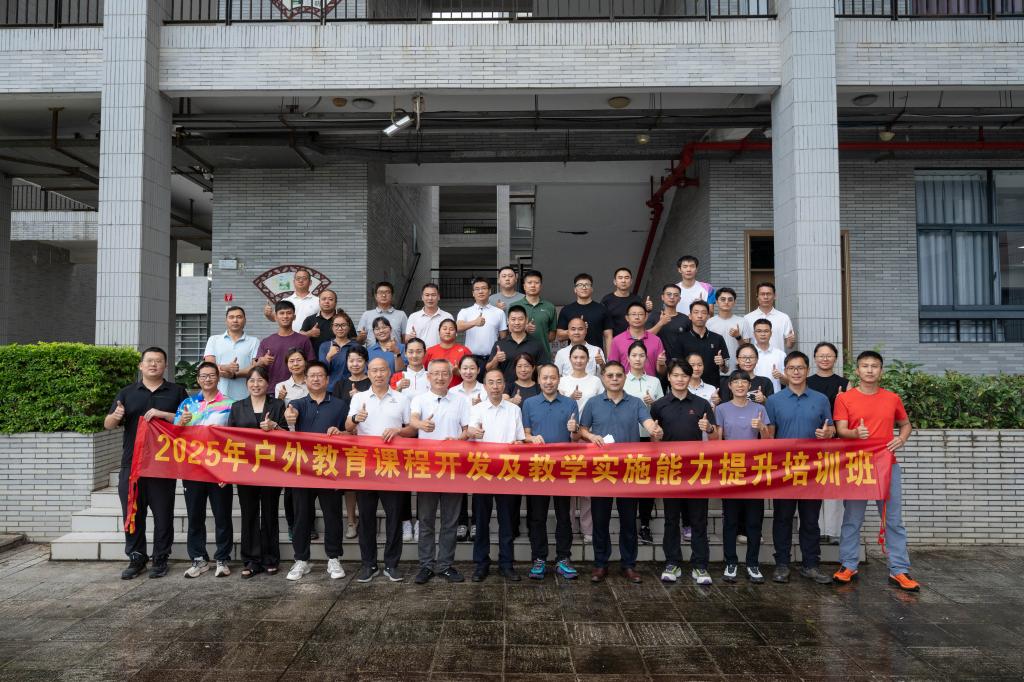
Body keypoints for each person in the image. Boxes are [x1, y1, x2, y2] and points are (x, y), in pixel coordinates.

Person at [833, 351, 918, 592]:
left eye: (874, 366)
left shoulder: (892, 398)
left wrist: (901, 438)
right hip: (857, 465)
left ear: (881, 371)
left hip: (886, 466)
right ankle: (848, 565)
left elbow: (906, 424)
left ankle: (899, 569)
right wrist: (855, 433)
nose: (869, 370)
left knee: (893, 520)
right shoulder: (845, 398)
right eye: (865, 366)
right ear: (857, 370)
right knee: (852, 519)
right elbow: (840, 429)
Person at [105, 347, 188, 580]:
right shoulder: (127, 393)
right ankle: (136, 558)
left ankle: (160, 558)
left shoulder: (177, 391)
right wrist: (115, 417)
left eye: (158, 361)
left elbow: (188, 421)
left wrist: (164, 414)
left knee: (163, 514)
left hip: (162, 464)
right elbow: (108, 424)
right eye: (149, 361)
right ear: (141, 366)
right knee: (133, 513)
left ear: (165, 366)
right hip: (132, 464)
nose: (153, 364)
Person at [579, 361, 663, 584]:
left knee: (628, 520)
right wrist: (591, 436)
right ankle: (600, 564)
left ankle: (629, 565)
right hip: (602, 470)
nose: (614, 379)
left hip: (628, 470)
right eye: (610, 375)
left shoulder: (635, 403)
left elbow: (648, 423)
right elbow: (582, 429)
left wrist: (655, 430)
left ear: (624, 378)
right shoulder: (593, 403)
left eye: (618, 375)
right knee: (600, 520)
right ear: (603, 378)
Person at [765, 351, 835, 585]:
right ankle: (782, 565)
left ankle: (811, 565)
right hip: (783, 469)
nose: (796, 372)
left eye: (800, 368)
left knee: (810, 520)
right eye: (791, 368)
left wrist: (828, 433)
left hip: (812, 469)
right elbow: (769, 436)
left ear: (807, 370)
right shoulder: (774, 401)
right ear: (785, 372)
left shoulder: (821, 399)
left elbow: (831, 428)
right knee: (782, 518)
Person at [347, 358, 415, 583]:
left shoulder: (402, 398)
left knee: (394, 517)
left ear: (389, 372)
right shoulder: (359, 398)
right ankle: (369, 564)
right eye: (374, 370)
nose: (378, 374)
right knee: (366, 517)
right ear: (368, 373)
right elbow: (347, 426)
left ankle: (392, 564)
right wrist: (356, 418)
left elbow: (412, 430)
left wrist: (398, 431)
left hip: (392, 466)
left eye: (382, 370)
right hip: (366, 466)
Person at [652, 359, 718, 585]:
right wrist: (656, 436)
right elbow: (653, 440)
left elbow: (715, 437)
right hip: (670, 469)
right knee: (671, 519)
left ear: (690, 378)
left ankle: (700, 565)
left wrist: (709, 428)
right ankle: (672, 562)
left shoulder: (701, 404)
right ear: (669, 377)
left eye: (684, 375)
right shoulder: (659, 405)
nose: (680, 379)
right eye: (676, 375)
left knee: (699, 519)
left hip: (696, 470)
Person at [283, 361, 348, 581]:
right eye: (312, 375)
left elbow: (351, 434)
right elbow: (289, 419)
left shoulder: (339, 405)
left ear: (327, 380)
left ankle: (334, 558)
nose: (316, 379)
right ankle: (301, 560)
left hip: (330, 469)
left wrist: (340, 433)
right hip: (303, 470)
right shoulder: (297, 404)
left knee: (332, 515)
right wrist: (289, 417)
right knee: (302, 516)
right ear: (306, 380)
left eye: (320, 375)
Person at [410, 359, 469, 585]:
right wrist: (421, 425)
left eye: (445, 373)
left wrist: (459, 439)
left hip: (453, 467)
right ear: (428, 376)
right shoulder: (420, 399)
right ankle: (425, 565)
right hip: (427, 467)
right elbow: (413, 419)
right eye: (435, 373)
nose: (440, 377)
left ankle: (445, 565)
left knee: (450, 520)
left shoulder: (461, 400)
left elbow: (467, 429)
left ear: (451, 376)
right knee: (425, 520)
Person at [175, 361, 235, 579]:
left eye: (211, 375)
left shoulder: (230, 404)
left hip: (219, 470)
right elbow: (174, 434)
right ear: (198, 379)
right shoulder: (187, 404)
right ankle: (199, 559)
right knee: (195, 516)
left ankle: (222, 559)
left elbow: (235, 439)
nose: (207, 379)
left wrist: (228, 470)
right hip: (192, 468)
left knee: (222, 515)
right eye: (203, 376)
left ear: (218, 378)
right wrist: (181, 422)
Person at [522, 363, 581, 581]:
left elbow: (575, 438)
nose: (549, 382)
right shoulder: (529, 404)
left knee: (564, 515)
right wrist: (531, 438)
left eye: (553, 378)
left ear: (559, 379)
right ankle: (539, 559)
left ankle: (563, 558)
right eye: (545, 378)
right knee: (537, 516)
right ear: (538, 380)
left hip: (563, 468)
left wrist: (574, 431)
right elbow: (525, 434)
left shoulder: (570, 403)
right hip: (538, 467)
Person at [714, 369, 772, 584]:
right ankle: (730, 562)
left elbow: (769, 441)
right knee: (730, 520)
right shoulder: (721, 409)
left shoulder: (759, 409)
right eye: (736, 382)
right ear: (729, 386)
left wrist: (762, 428)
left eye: (744, 382)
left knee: (754, 521)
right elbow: (717, 440)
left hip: (754, 472)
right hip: (730, 470)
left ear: (749, 386)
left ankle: (753, 564)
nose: (740, 385)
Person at [468, 369, 526, 582]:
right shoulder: (477, 409)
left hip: (507, 471)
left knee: (507, 521)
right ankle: (481, 564)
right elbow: (470, 435)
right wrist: (472, 433)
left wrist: (518, 443)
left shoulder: (514, 410)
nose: (495, 386)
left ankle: (506, 564)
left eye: (499, 382)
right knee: (481, 521)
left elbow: (520, 438)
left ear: (504, 385)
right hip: (483, 471)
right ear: (484, 386)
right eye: (490, 382)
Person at [228, 366, 285, 578]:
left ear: (268, 383)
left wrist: (275, 427)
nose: (256, 384)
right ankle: (251, 559)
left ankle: (270, 558)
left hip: (271, 469)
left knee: (270, 513)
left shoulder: (278, 405)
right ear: (246, 384)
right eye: (252, 380)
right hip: (245, 470)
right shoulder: (237, 407)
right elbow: (229, 438)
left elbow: (288, 436)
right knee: (249, 513)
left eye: (260, 380)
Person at [557, 345, 603, 545]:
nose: (578, 360)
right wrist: (569, 399)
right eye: (575, 357)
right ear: (569, 359)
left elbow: (601, 403)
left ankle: (588, 529)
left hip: (588, 436)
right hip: (565, 437)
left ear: (588, 359)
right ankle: (567, 527)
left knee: (586, 487)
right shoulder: (562, 381)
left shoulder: (595, 381)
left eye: (582, 357)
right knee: (567, 486)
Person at [621, 341, 664, 546]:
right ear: (628, 358)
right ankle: (628, 524)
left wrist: (653, 404)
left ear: (647, 358)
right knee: (629, 482)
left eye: (641, 355)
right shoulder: (621, 379)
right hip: (627, 438)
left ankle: (644, 523)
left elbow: (662, 409)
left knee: (647, 483)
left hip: (648, 437)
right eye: (634, 355)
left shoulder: (654, 382)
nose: (638, 359)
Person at [807, 341, 850, 541]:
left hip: (836, 439)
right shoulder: (806, 381)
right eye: (821, 355)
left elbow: (851, 414)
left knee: (833, 485)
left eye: (829, 355)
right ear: (815, 358)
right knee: (812, 486)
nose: (825, 359)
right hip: (810, 439)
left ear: (835, 358)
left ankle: (833, 531)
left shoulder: (845, 383)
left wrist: (844, 400)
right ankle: (814, 529)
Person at [203, 306, 260, 401]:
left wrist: (234, 374)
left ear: (245, 320)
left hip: (245, 396)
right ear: (226, 320)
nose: (235, 320)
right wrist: (226, 368)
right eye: (231, 317)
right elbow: (208, 366)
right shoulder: (213, 340)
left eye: (239, 317)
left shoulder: (254, 341)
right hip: (217, 396)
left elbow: (255, 368)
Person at [256, 300, 315, 389]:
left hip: (299, 388)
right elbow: (256, 365)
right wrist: (262, 361)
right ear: (275, 317)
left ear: (294, 317)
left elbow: (311, 364)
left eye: (289, 313)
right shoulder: (266, 341)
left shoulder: (303, 340)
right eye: (282, 313)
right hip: (272, 390)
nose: (285, 316)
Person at [486, 305, 545, 385]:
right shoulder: (500, 344)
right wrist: (496, 359)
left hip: (530, 389)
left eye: (520, 319)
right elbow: (488, 369)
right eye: (513, 319)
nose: (517, 323)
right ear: (508, 321)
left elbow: (541, 371)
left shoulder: (536, 344)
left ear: (526, 320)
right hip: (506, 389)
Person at [678, 300, 729, 391]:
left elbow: (725, 370)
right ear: (690, 316)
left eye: (703, 312)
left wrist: (722, 364)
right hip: (688, 388)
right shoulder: (681, 339)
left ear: (708, 316)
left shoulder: (717, 338)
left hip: (713, 388)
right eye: (696, 312)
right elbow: (677, 367)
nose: (700, 316)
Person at [556, 273, 612, 351]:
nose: (584, 287)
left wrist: (610, 357)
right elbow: (559, 336)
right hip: (574, 355)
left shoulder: (602, 309)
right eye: (580, 285)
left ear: (592, 289)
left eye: (587, 285)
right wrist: (576, 329)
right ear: (575, 289)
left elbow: (608, 336)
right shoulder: (566, 310)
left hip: (596, 355)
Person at [608, 302, 666, 377]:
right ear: (627, 318)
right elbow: (612, 367)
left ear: (646, 317)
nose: (637, 317)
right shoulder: (617, 341)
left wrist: (661, 364)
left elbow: (662, 372)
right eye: (633, 314)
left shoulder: (656, 340)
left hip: (649, 382)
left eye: (640, 314)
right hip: (625, 383)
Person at [457, 277, 508, 360]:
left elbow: (503, 338)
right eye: (477, 289)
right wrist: (474, 322)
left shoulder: (499, 312)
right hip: (471, 359)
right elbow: (457, 327)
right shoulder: (465, 311)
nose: (480, 291)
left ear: (489, 291)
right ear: (473, 293)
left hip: (492, 358)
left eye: (484, 288)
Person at [706, 287, 751, 374]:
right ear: (717, 301)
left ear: (734, 302)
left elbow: (747, 348)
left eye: (730, 300)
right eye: (723, 299)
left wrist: (738, 337)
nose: (726, 302)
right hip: (714, 370)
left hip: (737, 371)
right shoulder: (709, 323)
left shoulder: (742, 321)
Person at [743, 281, 796, 353]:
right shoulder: (747, 318)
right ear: (757, 296)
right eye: (762, 294)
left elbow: (789, 346)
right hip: (755, 358)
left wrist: (791, 341)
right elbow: (746, 344)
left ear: (774, 296)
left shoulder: (784, 317)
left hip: (777, 358)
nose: (765, 297)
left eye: (769, 294)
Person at [518, 269, 557, 363]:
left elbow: (552, 336)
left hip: (543, 356)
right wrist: (523, 329)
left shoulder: (550, 307)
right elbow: (508, 332)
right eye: (529, 282)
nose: (533, 285)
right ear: (524, 286)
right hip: (520, 357)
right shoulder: (515, 306)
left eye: (536, 282)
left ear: (541, 286)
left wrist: (540, 336)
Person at [646, 284, 692, 363]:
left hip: (678, 363)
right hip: (655, 362)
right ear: (662, 297)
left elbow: (690, 343)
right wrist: (660, 323)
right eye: (669, 294)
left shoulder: (685, 319)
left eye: (676, 295)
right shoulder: (653, 316)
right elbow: (645, 337)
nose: (672, 297)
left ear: (679, 299)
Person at [601, 267, 652, 337]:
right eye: (620, 278)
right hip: (613, 340)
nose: (623, 281)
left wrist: (648, 310)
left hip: (635, 339)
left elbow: (643, 320)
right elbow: (601, 323)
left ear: (631, 281)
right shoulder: (607, 300)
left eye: (626, 278)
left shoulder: (638, 299)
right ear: (615, 281)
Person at [424, 319, 472, 387]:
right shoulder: (430, 351)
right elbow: (423, 373)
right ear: (439, 332)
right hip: (435, 390)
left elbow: (473, 374)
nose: (447, 332)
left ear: (456, 333)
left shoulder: (465, 351)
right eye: (444, 329)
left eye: (451, 329)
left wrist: (459, 373)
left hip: (459, 391)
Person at [320, 310, 359, 392]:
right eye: (336, 325)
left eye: (343, 325)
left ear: (349, 327)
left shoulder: (356, 346)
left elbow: (362, 370)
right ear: (332, 327)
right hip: (330, 390)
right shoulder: (325, 346)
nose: (340, 328)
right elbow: (321, 371)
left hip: (350, 389)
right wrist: (328, 356)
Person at [406, 282, 454, 348]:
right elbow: (407, 339)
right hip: (420, 353)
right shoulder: (413, 317)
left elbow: (453, 338)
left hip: (441, 353)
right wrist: (409, 337)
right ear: (422, 297)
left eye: (433, 295)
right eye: (427, 295)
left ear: (438, 297)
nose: (430, 298)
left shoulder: (447, 316)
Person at [751, 319, 788, 392]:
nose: (763, 334)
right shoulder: (748, 354)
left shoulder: (780, 354)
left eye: (766, 331)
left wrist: (781, 376)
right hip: (753, 395)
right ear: (754, 334)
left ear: (771, 333)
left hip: (775, 396)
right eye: (759, 331)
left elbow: (788, 382)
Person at [299, 289, 338, 356]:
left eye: (330, 299)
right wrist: (309, 333)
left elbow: (353, 339)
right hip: (315, 359)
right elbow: (299, 338)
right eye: (323, 299)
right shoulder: (310, 319)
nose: (326, 301)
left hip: (338, 358)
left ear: (336, 302)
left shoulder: (343, 319)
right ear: (319, 302)